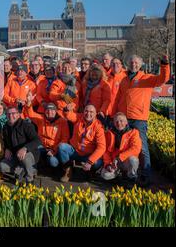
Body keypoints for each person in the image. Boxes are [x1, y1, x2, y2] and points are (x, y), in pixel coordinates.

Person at [115, 54, 170, 187]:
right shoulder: (124, 80)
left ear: (141, 65)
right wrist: (116, 114)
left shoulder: (147, 78)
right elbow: (119, 99)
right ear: (128, 64)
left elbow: (163, 79)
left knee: (143, 148)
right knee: (123, 146)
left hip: (139, 118)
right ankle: (127, 173)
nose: (134, 64)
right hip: (125, 119)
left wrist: (164, 65)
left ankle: (145, 175)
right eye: (131, 62)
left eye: (136, 63)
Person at [58, 104, 106, 182]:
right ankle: (68, 171)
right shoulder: (79, 117)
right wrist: (66, 110)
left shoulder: (98, 126)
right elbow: (69, 115)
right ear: (83, 112)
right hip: (75, 151)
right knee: (62, 147)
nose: (88, 114)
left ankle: (90, 173)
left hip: (87, 155)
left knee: (98, 162)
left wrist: (90, 161)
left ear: (95, 114)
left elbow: (102, 147)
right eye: (86, 111)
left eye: (91, 112)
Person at [24, 94, 69, 168]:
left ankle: (62, 167)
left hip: (54, 149)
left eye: (52, 110)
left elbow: (65, 139)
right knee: (32, 148)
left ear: (56, 111)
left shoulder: (62, 121)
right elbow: (31, 114)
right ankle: (36, 165)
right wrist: (29, 102)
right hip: (42, 146)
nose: (49, 112)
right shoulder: (41, 119)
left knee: (53, 162)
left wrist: (54, 150)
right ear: (44, 112)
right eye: (47, 110)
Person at [0, 106, 41, 183]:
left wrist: (25, 148)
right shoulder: (5, 127)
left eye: (13, 113)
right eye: (8, 114)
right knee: (2, 166)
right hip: (15, 155)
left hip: (30, 153)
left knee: (25, 157)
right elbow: (4, 141)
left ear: (18, 114)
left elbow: (37, 140)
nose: (10, 115)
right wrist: (7, 149)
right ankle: (22, 169)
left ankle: (30, 180)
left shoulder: (26, 125)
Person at [100, 113, 142, 183]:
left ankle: (131, 178)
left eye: (121, 121)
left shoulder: (134, 132)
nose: (119, 123)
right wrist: (108, 164)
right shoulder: (109, 133)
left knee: (133, 160)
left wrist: (119, 158)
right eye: (116, 121)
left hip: (126, 161)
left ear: (126, 122)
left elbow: (136, 148)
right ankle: (117, 174)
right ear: (113, 123)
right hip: (114, 163)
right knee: (105, 175)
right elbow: (106, 151)